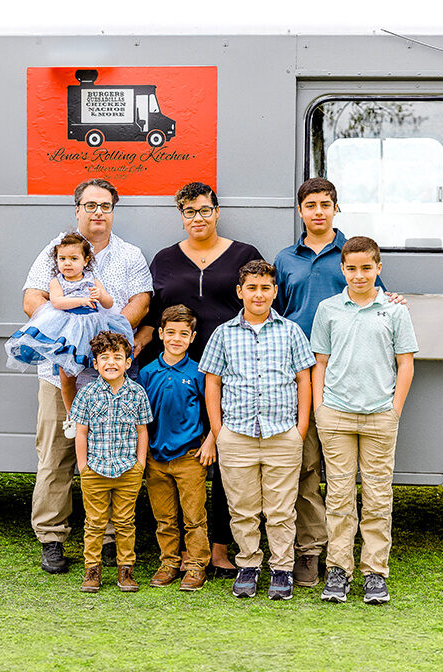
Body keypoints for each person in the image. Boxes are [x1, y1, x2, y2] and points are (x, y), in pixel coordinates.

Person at [22, 178, 152, 574]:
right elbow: (32, 299)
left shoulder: (129, 256)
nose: (98, 212)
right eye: (90, 205)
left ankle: (110, 537)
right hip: (58, 371)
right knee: (56, 458)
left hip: (109, 377)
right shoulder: (55, 251)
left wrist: (103, 342)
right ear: (76, 209)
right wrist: (70, 334)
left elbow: (141, 301)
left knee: (113, 453)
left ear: (114, 210)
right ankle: (51, 537)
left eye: (106, 205)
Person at [274, 176, 396, 588]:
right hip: (298, 372)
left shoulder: (353, 253)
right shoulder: (285, 259)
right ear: (301, 211)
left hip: (348, 380)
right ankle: (312, 552)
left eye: (326, 204)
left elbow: (377, 303)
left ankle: (358, 562)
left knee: (347, 477)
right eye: (311, 205)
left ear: (335, 208)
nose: (318, 211)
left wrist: (394, 298)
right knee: (306, 466)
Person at [135, 181, 262, 577]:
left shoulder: (244, 255)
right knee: (173, 455)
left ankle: (219, 547)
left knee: (225, 456)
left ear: (217, 211)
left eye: (205, 210)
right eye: (190, 212)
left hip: (232, 372)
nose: (198, 218)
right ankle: (171, 551)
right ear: (181, 215)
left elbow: (261, 301)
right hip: (175, 375)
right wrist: (128, 349)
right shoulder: (165, 259)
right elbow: (152, 317)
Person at [199, 260, 316, 600]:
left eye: (266, 288)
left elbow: (303, 380)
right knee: (243, 508)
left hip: (282, 434)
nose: (259, 294)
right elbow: (213, 384)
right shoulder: (224, 334)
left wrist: (301, 427)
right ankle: (248, 564)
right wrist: (218, 431)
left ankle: (282, 569)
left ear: (275, 291)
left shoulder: (291, 331)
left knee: (280, 509)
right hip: (237, 435)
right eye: (252, 287)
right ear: (240, 292)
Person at [310, 236, 417, 605]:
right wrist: (319, 409)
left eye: (366, 268)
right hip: (336, 415)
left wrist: (394, 410)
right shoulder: (328, 309)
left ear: (378, 269)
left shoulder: (395, 310)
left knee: (377, 498)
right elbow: (319, 363)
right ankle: (338, 570)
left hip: (380, 416)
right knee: (339, 498)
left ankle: (375, 573)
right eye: (352, 268)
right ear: (342, 269)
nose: (359, 275)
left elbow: (406, 363)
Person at [6, 232, 134, 437]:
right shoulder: (57, 281)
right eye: (62, 258)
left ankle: (103, 413)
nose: (67, 263)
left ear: (86, 260)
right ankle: (72, 416)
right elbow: (57, 302)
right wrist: (82, 301)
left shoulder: (93, 279)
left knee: (101, 368)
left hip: (93, 327)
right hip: (67, 328)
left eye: (74, 259)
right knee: (66, 376)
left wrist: (100, 296)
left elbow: (109, 304)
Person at [137, 304, 213, 591]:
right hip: (156, 457)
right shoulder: (147, 372)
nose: (176, 339)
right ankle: (168, 562)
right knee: (164, 518)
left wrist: (209, 442)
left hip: (190, 457)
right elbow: (141, 417)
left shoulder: (198, 373)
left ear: (192, 337)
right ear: (160, 334)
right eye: (171, 333)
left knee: (194, 517)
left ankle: (195, 566)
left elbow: (213, 411)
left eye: (184, 333)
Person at [71, 331, 153, 593]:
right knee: (94, 523)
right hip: (95, 469)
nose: (111, 363)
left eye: (118, 357)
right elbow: (80, 432)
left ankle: (125, 570)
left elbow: (142, 431)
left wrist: (140, 464)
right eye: (104, 357)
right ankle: (92, 571)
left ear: (128, 362)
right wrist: (83, 466)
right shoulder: (86, 394)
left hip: (127, 469)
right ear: (95, 363)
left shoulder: (137, 393)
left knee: (125, 522)